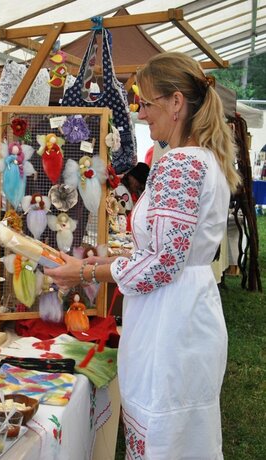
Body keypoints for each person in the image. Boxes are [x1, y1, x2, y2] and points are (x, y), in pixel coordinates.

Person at [46, 52, 241, 459]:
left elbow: (163, 263)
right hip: (186, 307)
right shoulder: (202, 159)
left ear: (176, 102)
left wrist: (88, 271)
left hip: (171, 317)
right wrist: (99, 265)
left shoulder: (180, 165)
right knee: (182, 429)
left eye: (147, 103)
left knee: (165, 428)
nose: (142, 113)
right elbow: (165, 251)